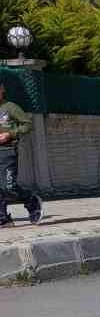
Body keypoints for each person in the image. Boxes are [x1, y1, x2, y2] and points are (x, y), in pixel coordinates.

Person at [0, 83, 43, 226]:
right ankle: (3, 218)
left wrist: (10, 134)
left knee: (9, 187)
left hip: (7, 151)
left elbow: (27, 124)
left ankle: (31, 201)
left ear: (2, 90)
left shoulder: (11, 107)